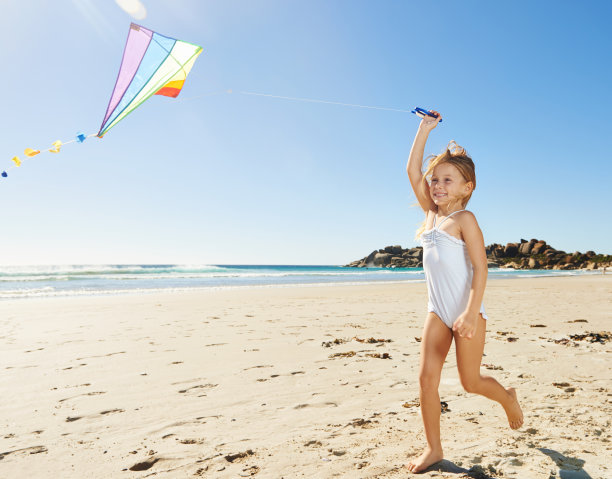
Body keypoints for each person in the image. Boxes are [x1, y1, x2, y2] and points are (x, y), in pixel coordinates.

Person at [404, 111, 523, 473]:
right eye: (435, 180)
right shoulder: (431, 214)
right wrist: (424, 130)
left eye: (447, 180)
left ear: (466, 187)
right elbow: (412, 172)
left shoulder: (465, 220)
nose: (437, 186)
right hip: (437, 311)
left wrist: (471, 312)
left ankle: (508, 399)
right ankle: (434, 448)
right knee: (426, 379)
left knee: (471, 382)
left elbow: (481, 269)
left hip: (467, 310)